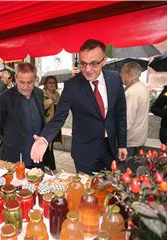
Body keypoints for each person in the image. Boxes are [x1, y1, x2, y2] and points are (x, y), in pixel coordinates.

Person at [31, 39, 127, 174]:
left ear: (104, 61)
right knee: (86, 192)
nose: (87, 69)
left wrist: (122, 144)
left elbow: (120, 113)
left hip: (110, 148)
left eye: (94, 64)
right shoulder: (72, 86)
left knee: (109, 189)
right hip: (85, 151)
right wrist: (44, 138)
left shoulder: (115, 79)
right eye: (83, 63)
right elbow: (59, 117)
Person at [0, 62, 45, 168]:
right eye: (21, 82)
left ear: (35, 79)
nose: (25, 87)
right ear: (15, 78)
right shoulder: (4, 98)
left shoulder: (39, 93)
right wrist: (12, 135)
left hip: (37, 155)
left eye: (30, 82)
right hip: (15, 156)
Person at [120, 62, 150, 157]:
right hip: (138, 139)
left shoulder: (132, 92)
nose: (120, 75)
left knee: (125, 170)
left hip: (130, 141)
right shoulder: (142, 87)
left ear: (128, 73)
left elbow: (127, 120)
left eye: (122, 72)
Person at [0, 69, 15, 159]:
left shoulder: (17, 87)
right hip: (5, 127)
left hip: (17, 126)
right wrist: (4, 83)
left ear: (10, 77)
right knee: (3, 154)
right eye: (1, 77)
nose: (1, 79)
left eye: (3, 77)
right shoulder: (0, 88)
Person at [42, 75, 62, 170]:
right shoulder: (42, 93)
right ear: (45, 84)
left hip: (54, 124)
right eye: (50, 82)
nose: (52, 85)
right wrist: (50, 101)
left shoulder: (57, 95)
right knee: (45, 144)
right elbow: (41, 107)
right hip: (45, 124)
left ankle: (50, 165)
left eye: (54, 83)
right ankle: (47, 165)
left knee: (51, 144)